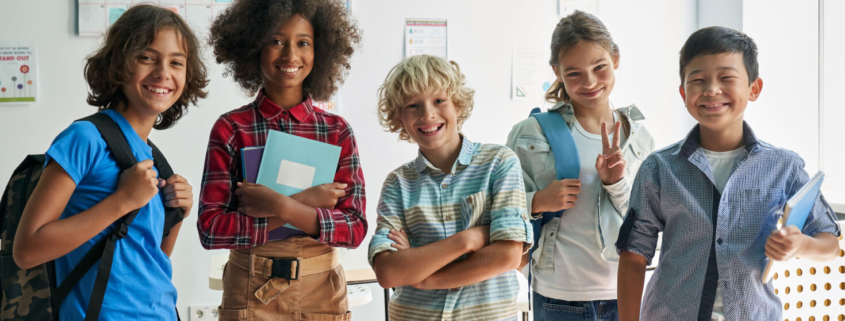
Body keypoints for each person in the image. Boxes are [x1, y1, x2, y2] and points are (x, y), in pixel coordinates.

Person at [616, 26, 842, 321]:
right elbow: (634, 255)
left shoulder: (783, 167)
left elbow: (829, 241)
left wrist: (800, 244)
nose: (711, 90)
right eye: (698, 80)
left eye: (726, 78)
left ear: (754, 88)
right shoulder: (659, 168)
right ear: (684, 93)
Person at [13, 4, 208, 320]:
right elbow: (27, 250)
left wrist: (178, 214)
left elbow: (145, 260)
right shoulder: (84, 138)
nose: (163, 72)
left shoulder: (154, 157)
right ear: (119, 63)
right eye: (147, 57)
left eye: (176, 62)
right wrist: (122, 201)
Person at [198, 0, 364, 319]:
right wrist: (307, 203)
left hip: (322, 293)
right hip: (250, 289)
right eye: (276, 41)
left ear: (321, 52)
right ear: (253, 46)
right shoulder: (231, 129)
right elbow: (211, 229)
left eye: (303, 43)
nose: (290, 55)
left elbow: (354, 229)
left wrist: (281, 205)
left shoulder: (337, 131)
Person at [505, 10, 654, 321]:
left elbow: (646, 222)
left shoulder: (640, 139)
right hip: (559, 295)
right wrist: (538, 201)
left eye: (599, 67)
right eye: (574, 73)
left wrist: (616, 183)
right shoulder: (531, 133)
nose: (589, 82)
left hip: (625, 292)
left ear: (615, 59)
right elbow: (500, 210)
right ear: (556, 71)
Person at [369, 54, 533, 321]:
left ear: (458, 105)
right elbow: (389, 273)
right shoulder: (397, 183)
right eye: (413, 105)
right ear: (399, 118)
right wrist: (468, 240)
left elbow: (508, 256)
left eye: (438, 100)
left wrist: (424, 277)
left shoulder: (499, 163)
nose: (427, 114)